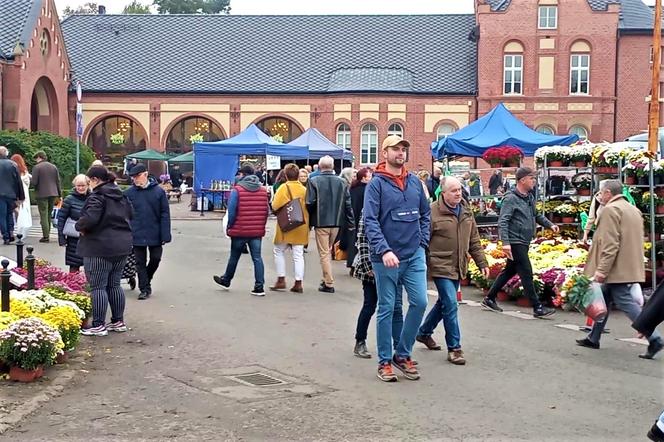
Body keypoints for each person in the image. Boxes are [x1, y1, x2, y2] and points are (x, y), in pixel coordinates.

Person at [364, 134, 430, 382]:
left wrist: (422, 242)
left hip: (414, 254)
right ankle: (384, 361)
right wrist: (384, 250)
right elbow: (370, 220)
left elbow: (425, 214)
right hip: (386, 257)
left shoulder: (414, 182)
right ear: (385, 153)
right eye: (395, 149)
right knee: (388, 307)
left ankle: (401, 354)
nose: (400, 153)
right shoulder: (376, 184)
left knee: (420, 302)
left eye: (403, 149)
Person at [576, 179, 663, 359]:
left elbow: (610, 244)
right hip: (629, 264)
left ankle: (653, 337)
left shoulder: (610, 210)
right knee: (605, 297)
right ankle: (594, 337)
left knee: (624, 300)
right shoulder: (632, 209)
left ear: (608, 192)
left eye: (600, 193)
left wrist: (601, 270)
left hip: (616, 266)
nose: (599, 197)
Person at [415, 176, 489, 365]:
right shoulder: (432, 212)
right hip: (440, 264)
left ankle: (423, 333)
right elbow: (421, 240)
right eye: (454, 191)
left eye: (459, 190)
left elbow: (474, 239)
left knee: (444, 303)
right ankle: (455, 348)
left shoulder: (466, 211)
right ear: (443, 193)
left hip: (459, 264)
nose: (458, 193)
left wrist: (482, 263)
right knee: (450, 302)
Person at [481, 167, 559, 317]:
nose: (534, 181)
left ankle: (489, 297)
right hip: (515, 241)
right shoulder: (510, 198)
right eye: (532, 178)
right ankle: (537, 307)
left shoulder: (529, 197)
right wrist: (505, 243)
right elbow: (503, 221)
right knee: (526, 272)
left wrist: (550, 224)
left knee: (510, 270)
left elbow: (536, 215)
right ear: (522, 180)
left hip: (524, 240)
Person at [76, 166, 133, 336]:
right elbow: (132, 214)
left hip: (99, 247)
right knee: (114, 284)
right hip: (122, 246)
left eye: (89, 181)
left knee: (98, 287)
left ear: (95, 180)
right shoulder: (121, 195)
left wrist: (80, 226)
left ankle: (99, 325)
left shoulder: (98, 196)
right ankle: (118, 321)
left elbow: (90, 219)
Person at [352, 211, 403, 359]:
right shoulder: (370, 207)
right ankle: (360, 341)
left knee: (396, 307)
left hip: (393, 264)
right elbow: (362, 238)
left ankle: (400, 349)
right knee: (370, 305)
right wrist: (368, 266)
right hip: (373, 266)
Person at [213, 164, 269, 296]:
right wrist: (261, 225)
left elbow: (232, 212)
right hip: (256, 231)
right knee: (257, 258)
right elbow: (267, 211)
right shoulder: (262, 190)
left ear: (243, 175)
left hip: (240, 230)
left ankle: (226, 279)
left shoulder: (237, 190)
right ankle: (259, 286)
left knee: (234, 256)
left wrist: (229, 226)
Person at [305, 155, 354, 293]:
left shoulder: (313, 181)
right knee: (328, 250)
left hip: (321, 221)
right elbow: (348, 204)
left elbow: (309, 202)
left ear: (320, 167)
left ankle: (329, 282)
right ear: (332, 166)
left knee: (324, 253)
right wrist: (351, 223)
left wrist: (310, 219)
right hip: (337, 221)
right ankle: (325, 279)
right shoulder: (342, 182)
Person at [124, 164, 172, 300]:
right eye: (133, 177)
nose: (135, 180)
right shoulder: (129, 193)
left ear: (145, 175)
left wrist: (165, 234)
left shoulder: (158, 192)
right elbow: (124, 214)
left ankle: (147, 278)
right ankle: (144, 289)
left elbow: (164, 214)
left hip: (155, 231)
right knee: (140, 262)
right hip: (137, 232)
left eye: (137, 176)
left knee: (156, 258)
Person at [269, 163, 309, 293]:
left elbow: (275, 205)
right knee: (298, 254)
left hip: (286, 224)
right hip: (301, 224)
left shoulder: (283, 188)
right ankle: (298, 282)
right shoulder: (304, 190)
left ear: (285, 175)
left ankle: (281, 279)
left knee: (278, 250)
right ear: (298, 175)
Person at [57, 174, 90, 273]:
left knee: (90, 267)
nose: (80, 188)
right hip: (73, 238)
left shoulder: (93, 198)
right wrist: (61, 238)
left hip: (89, 237)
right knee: (74, 266)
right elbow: (61, 218)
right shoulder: (69, 199)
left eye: (83, 185)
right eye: (78, 186)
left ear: (88, 185)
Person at [31, 151, 61, 243]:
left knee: (43, 215)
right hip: (53, 193)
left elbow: (34, 182)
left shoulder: (37, 167)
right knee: (49, 213)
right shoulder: (53, 167)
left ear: (39, 157)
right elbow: (58, 181)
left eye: (36, 158)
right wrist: (60, 194)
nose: (36, 160)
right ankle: (48, 233)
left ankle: (45, 236)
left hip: (42, 193)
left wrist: (30, 180)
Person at [347, 167, 373, 269]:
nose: (371, 178)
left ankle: (352, 263)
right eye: (369, 176)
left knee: (354, 242)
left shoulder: (353, 189)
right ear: (363, 178)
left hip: (353, 219)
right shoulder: (367, 190)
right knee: (362, 243)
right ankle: (359, 264)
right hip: (362, 218)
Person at [0, 147, 24, 244]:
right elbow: (18, 181)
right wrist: (21, 196)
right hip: (11, 194)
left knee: (2, 215)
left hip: (0, 195)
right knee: (9, 214)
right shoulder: (13, 164)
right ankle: (10, 233)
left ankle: (5, 236)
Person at [10, 153, 31, 240]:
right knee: (22, 210)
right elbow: (28, 183)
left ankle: (14, 229)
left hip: (15, 192)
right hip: (24, 192)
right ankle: (20, 229)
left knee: (14, 210)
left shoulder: (12, 170)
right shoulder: (24, 171)